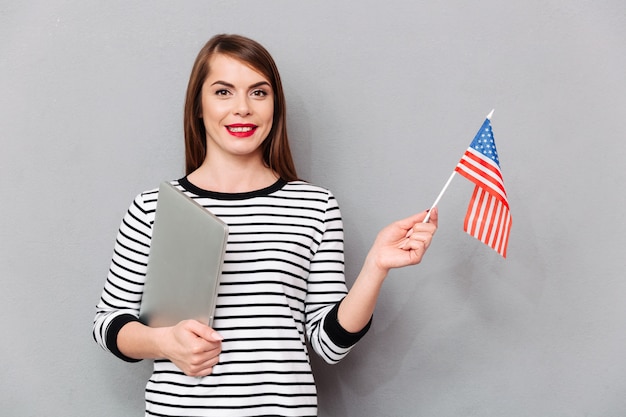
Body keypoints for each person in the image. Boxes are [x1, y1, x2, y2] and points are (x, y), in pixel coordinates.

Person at [93, 33, 438, 417]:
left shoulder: (315, 206)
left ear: (275, 106)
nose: (242, 108)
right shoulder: (152, 207)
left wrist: (376, 266)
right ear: (198, 107)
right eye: (223, 92)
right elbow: (108, 323)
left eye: (259, 93)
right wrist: (164, 342)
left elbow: (329, 344)